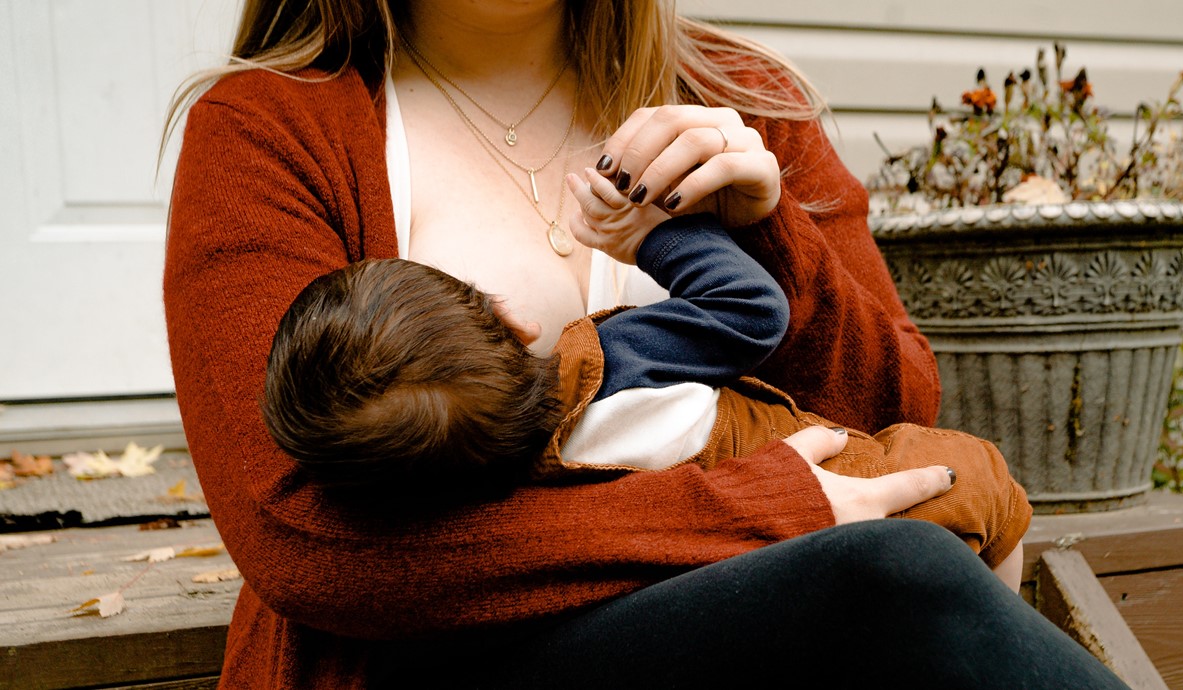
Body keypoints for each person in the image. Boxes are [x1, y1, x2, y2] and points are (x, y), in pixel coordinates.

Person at [162, 0, 1132, 687]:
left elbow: (894, 417)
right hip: (445, 660)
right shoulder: (267, 130)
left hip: (765, 639)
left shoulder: (740, 98)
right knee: (892, 574)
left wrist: (770, 232)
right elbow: (309, 542)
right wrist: (768, 507)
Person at [259, 184, 1030, 581]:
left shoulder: (494, 493)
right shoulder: (610, 360)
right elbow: (750, 312)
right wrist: (658, 235)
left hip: (756, 569)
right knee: (988, 485)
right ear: (512, 320)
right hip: (844, 476)